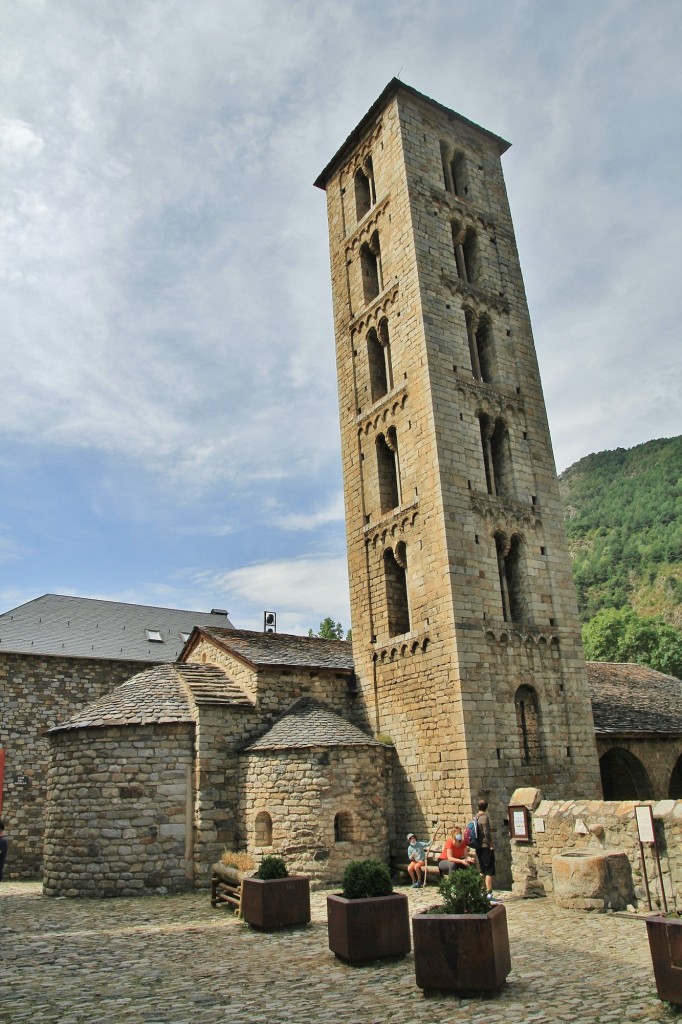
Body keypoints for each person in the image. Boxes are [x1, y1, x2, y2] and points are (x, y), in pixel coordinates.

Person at [475, 799, 495, 898]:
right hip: (485, 846)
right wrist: (491, 844)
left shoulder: (475, 817)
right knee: (489, 870)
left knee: (482, 869)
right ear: (486, 808)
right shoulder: (484, 818)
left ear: (478, 807)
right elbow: (486, 833)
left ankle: (480, 890)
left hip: (477, 846)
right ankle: (489, 892)